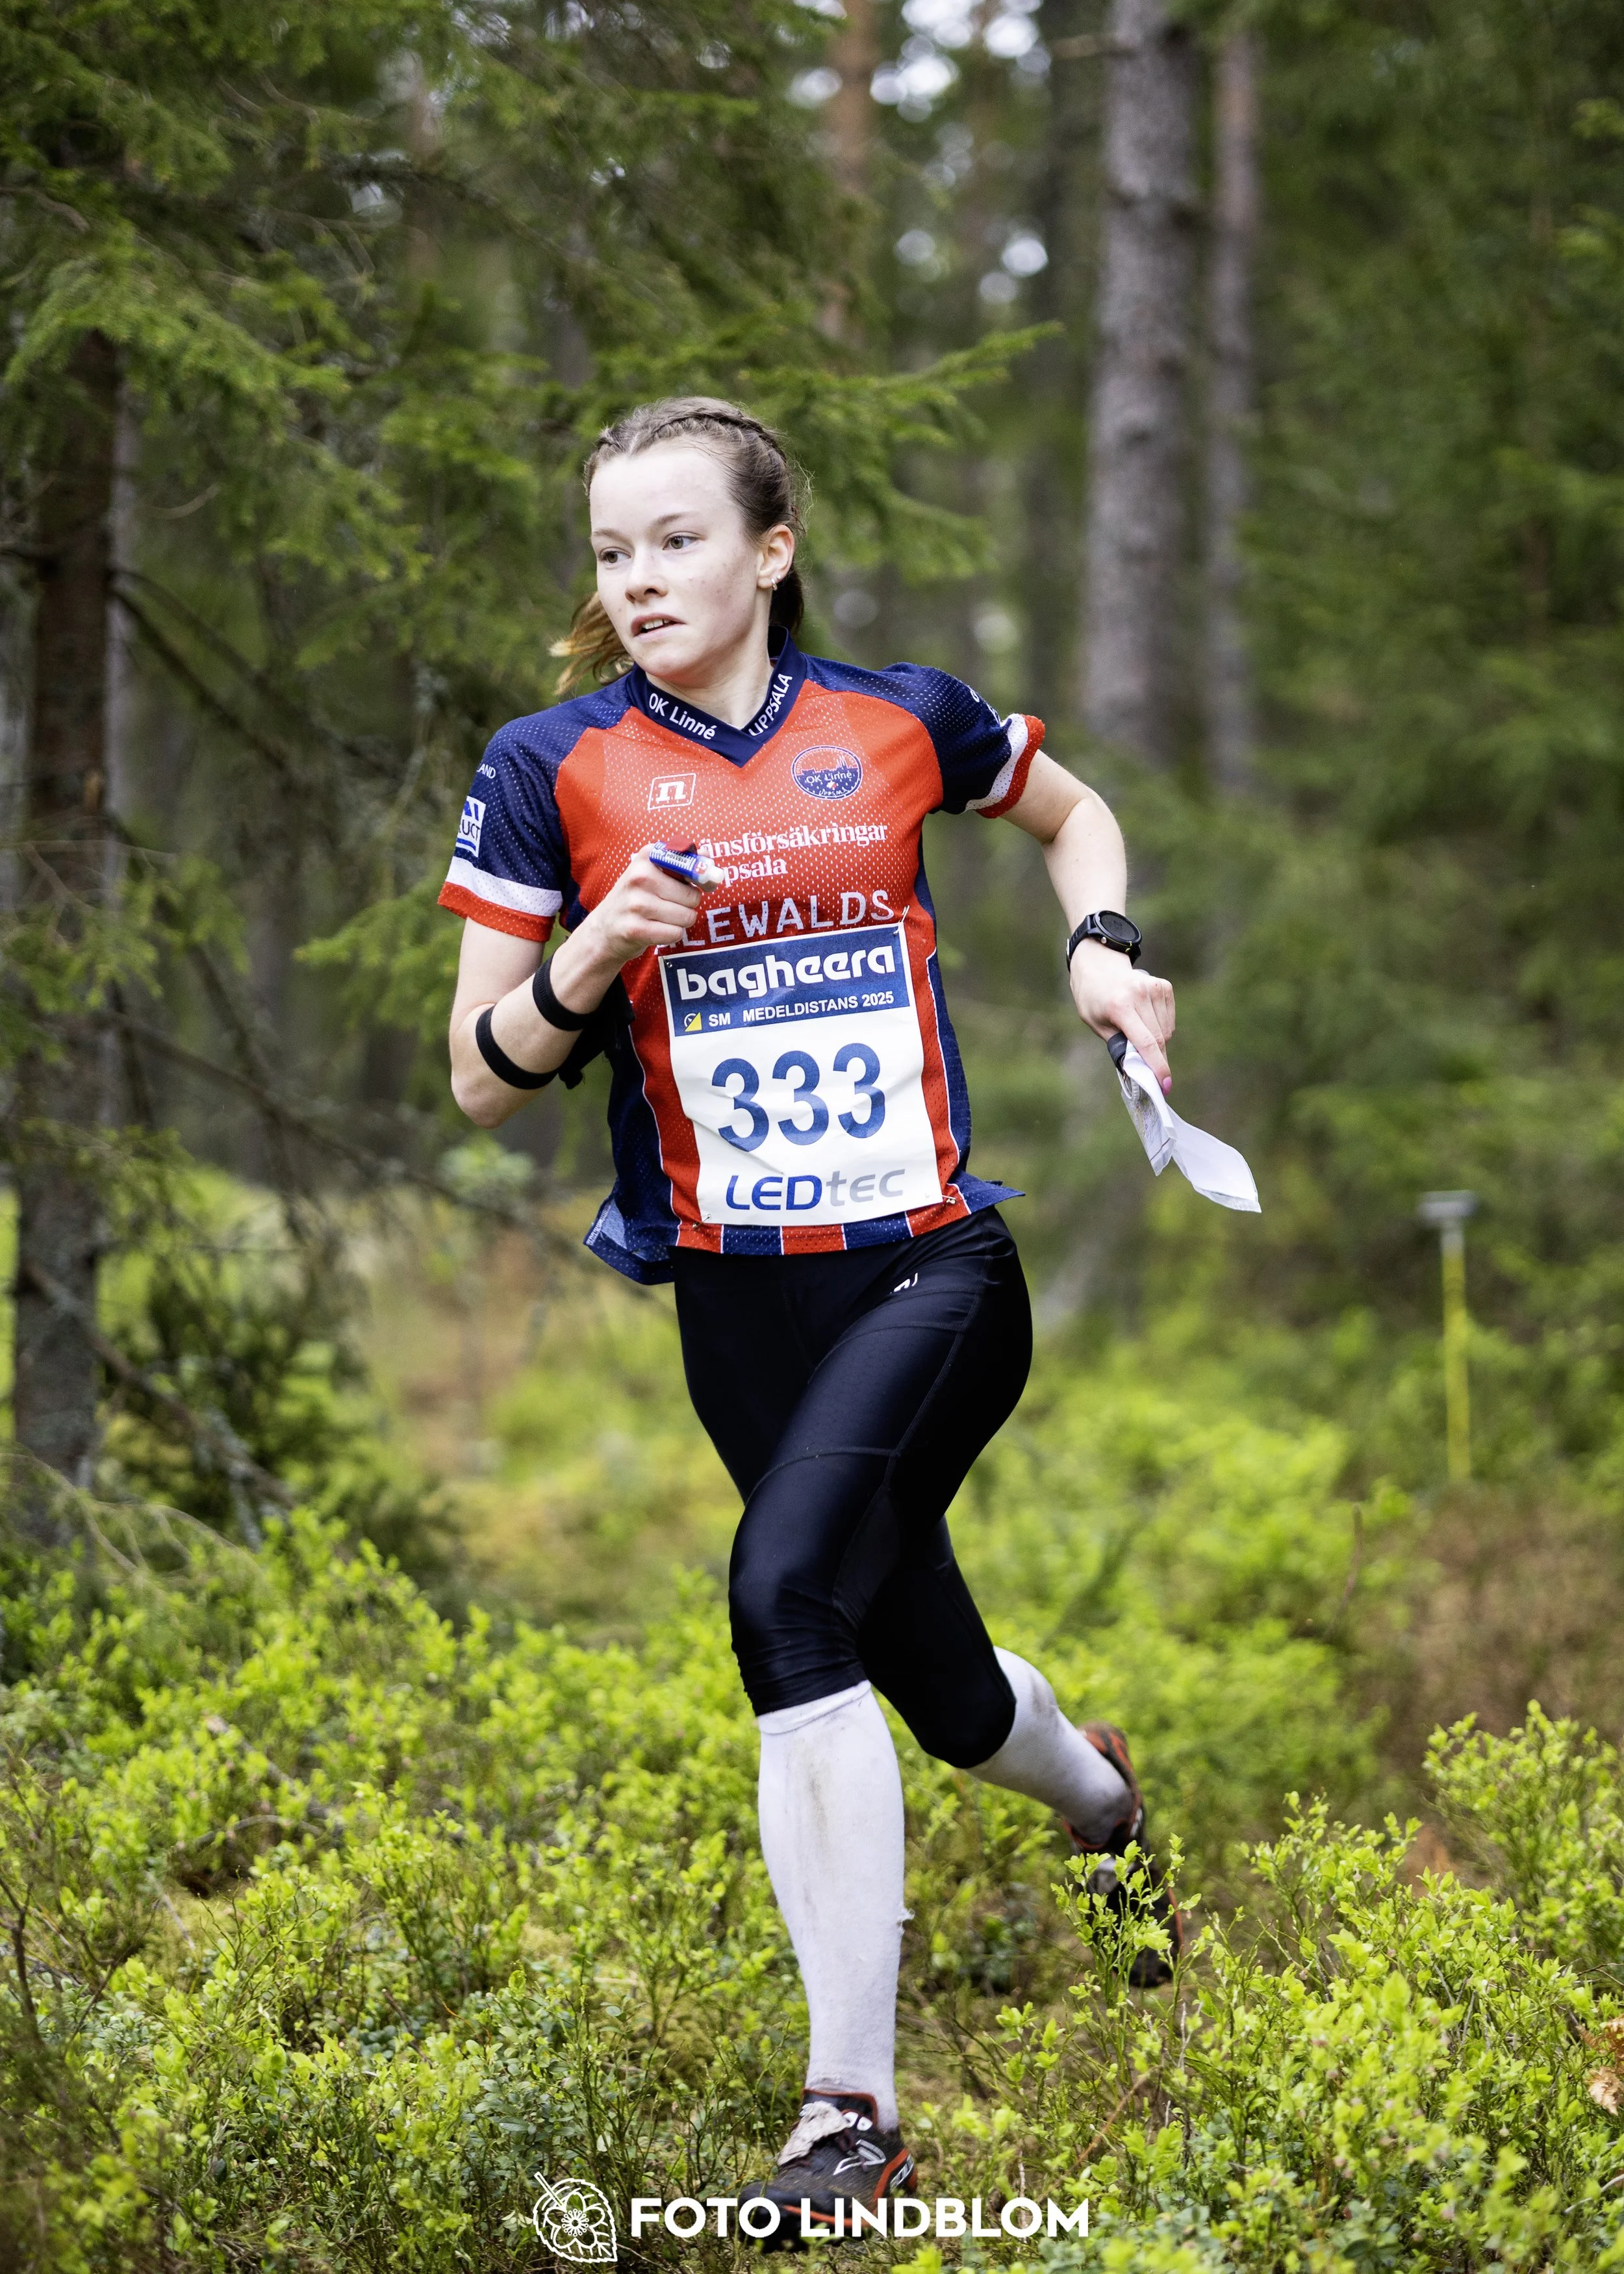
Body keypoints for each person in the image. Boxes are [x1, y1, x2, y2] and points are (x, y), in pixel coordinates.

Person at [440, 397, 1182, 2242]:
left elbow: (1071, 810)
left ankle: (848, 2118)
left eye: (675, 541)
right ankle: (1104, 1812)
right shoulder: (553, 767)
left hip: (931, 1267)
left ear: (767, 550)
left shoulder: (895, 719)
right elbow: (478, 1076)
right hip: (737, 1308)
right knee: (930, 1686)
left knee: (782, 1599)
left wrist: (1102, 950)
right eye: (612, 551)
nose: (637, 581)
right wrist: (587, 960)